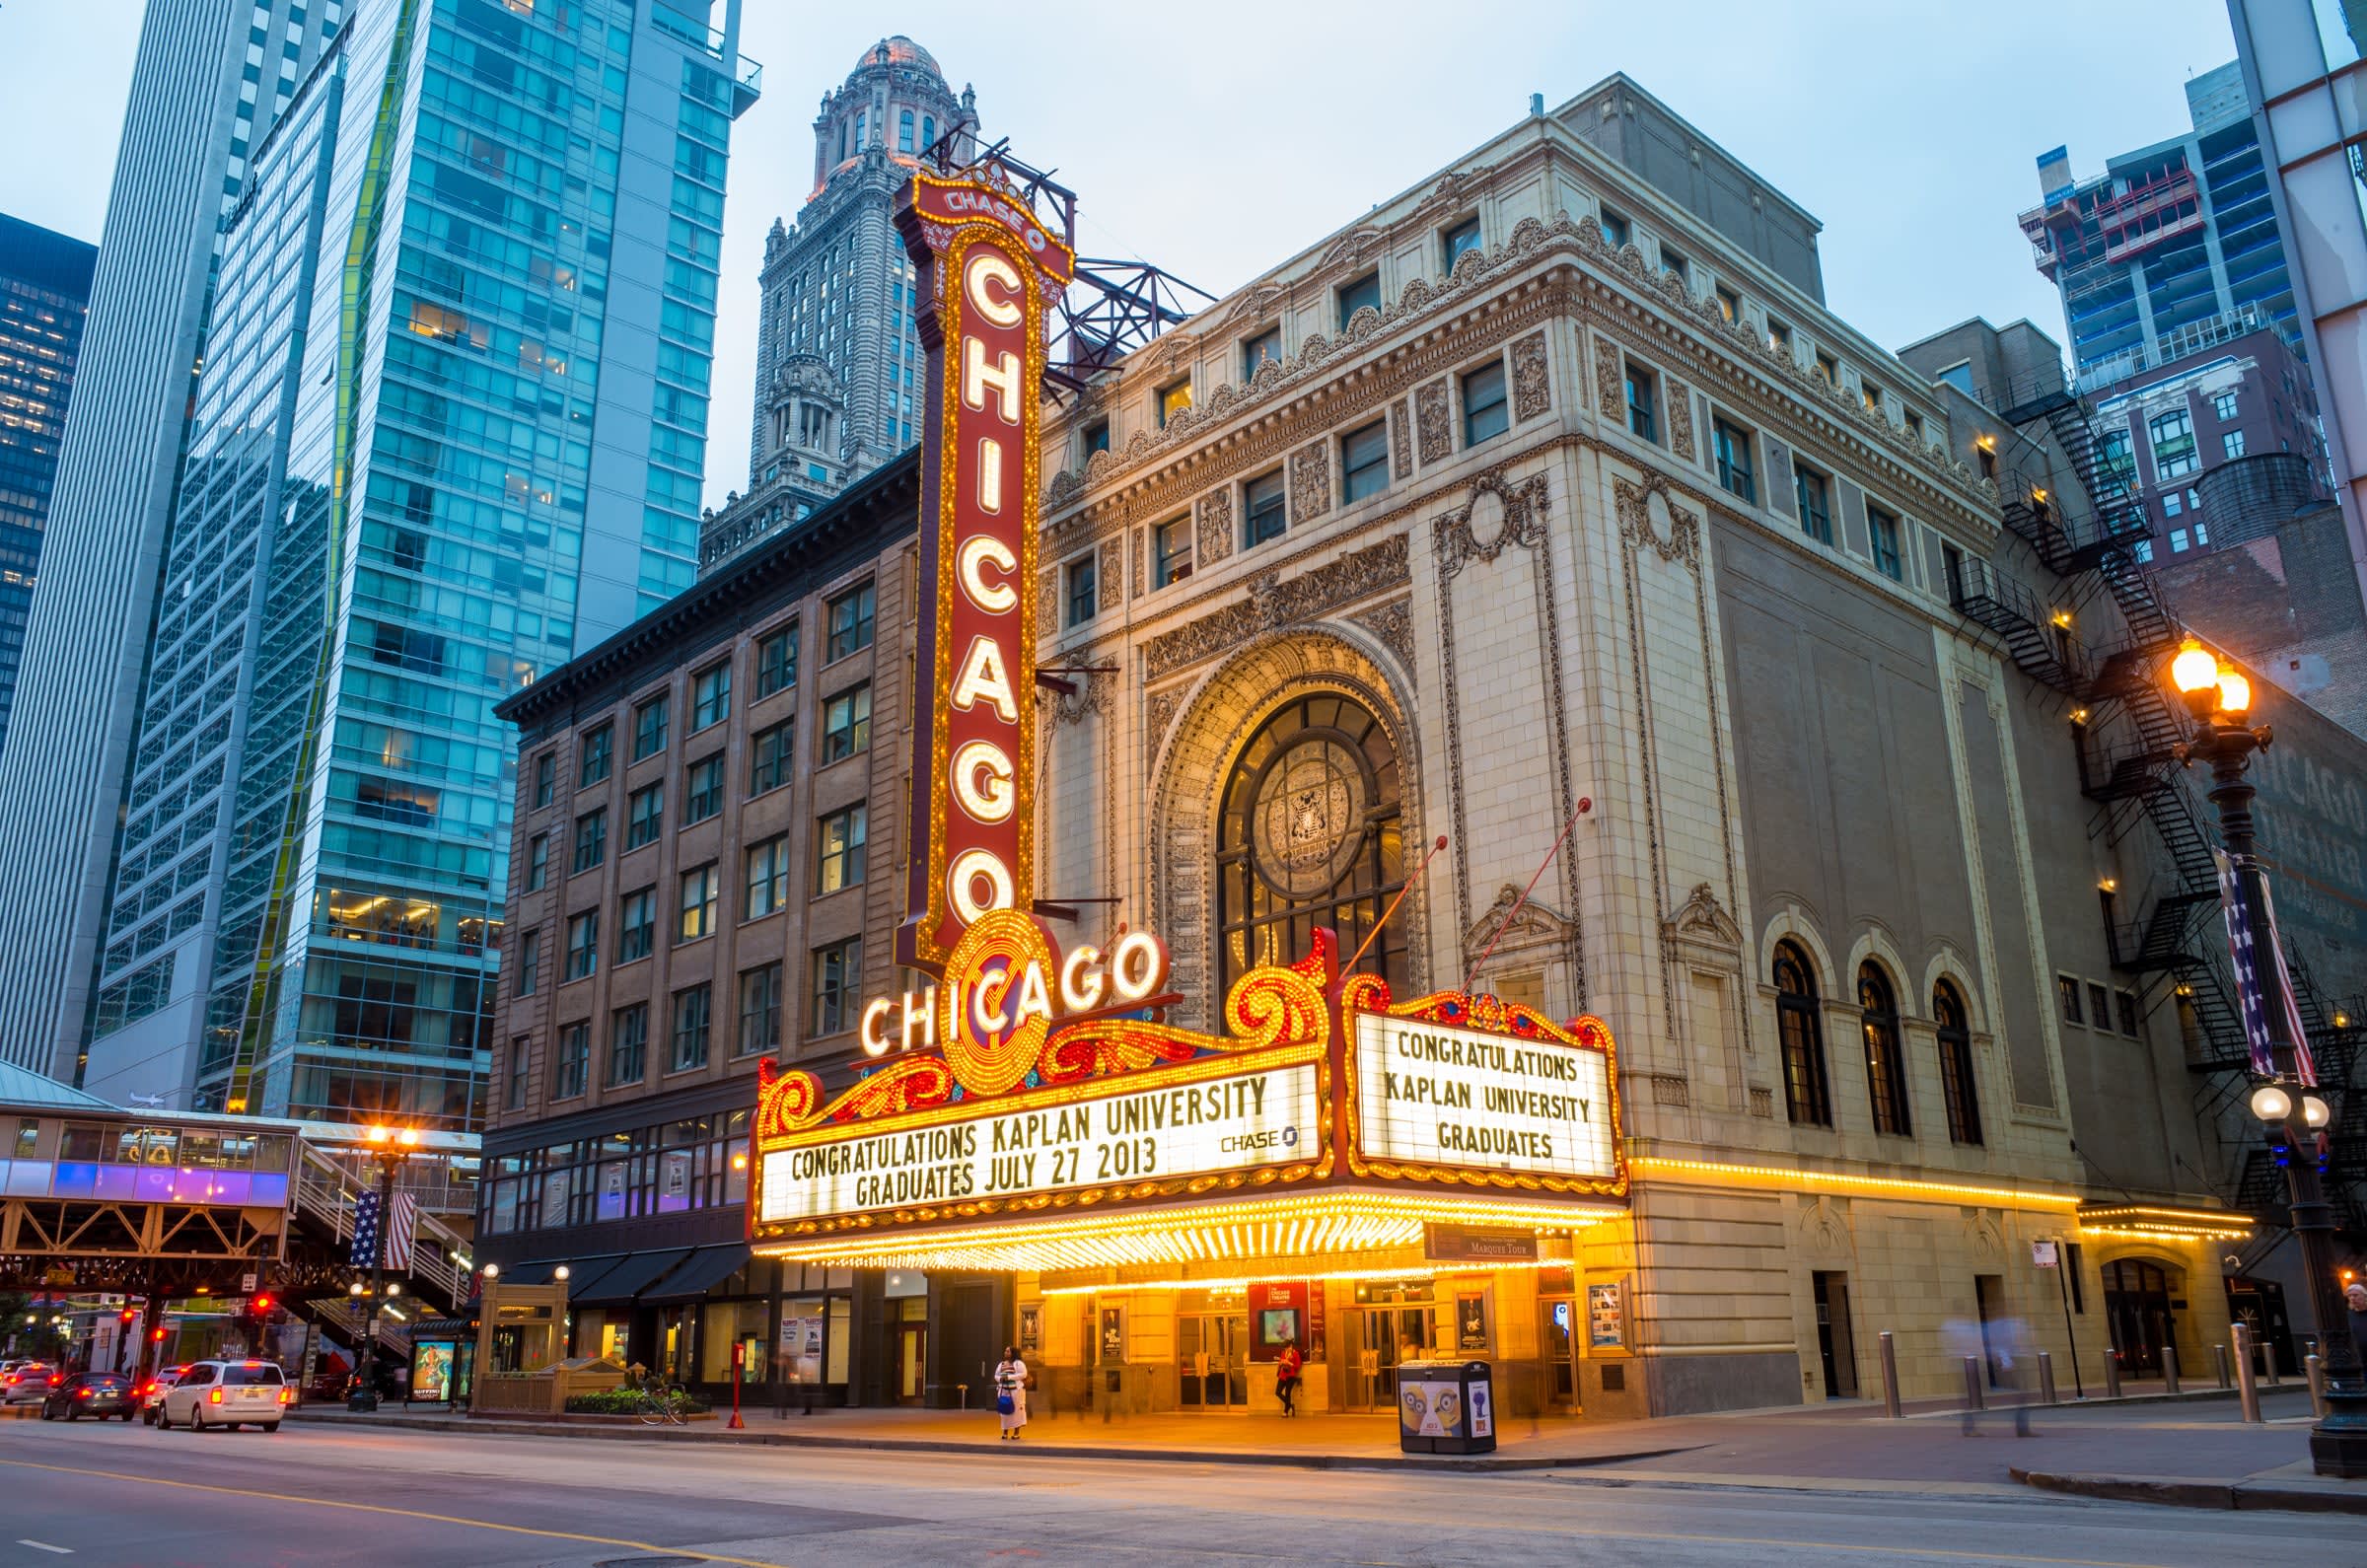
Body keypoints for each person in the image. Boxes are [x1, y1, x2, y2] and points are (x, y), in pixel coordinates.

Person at [993, 1345, 1029, 1440]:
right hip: (1003, 1391)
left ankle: (1016, 1433)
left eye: (1008, 1351)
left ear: (1013, 1353)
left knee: (1016, 1412)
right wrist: (1000, 1378)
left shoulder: (1019, 1363)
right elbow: (996, 1375)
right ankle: (1005, 1432)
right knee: (1004, 1412)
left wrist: (1009, 1377)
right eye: (1005, 1351)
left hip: (1016, 1391)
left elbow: (1024, 1374)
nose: (1006, 1353)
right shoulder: (1001, 1364)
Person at [1274, 1341, 1303, 1417]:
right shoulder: (1283, 1352)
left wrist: (1289, 1363)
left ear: (1291, 1346)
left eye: (1287, 1347)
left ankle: (1285, 1412)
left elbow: (1298, 1366)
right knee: (1277, 1392)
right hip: (1282, 1375)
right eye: (1285, 1347)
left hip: (1291, 1376)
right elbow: (1281, 1361)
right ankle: (1290, 1405)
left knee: (1287, 1394)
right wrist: (1281, 1363)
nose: (1286, 1349)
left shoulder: (1295, 1353)